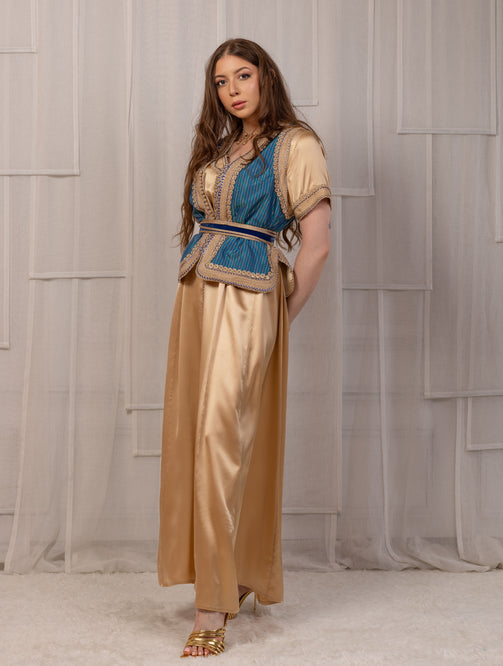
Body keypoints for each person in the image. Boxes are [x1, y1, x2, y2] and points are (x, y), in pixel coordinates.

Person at [157, 37, 331, 657]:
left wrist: (282, 316)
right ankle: (231, 574)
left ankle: (212, 606)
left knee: (220, 437)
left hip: (250, 299)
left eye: (243, 76)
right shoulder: (221, 146)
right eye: (221, 81)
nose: (232, 90)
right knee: (194, 435)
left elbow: (316, 245)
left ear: (266, 78)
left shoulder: (296, 144)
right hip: (197, 297)